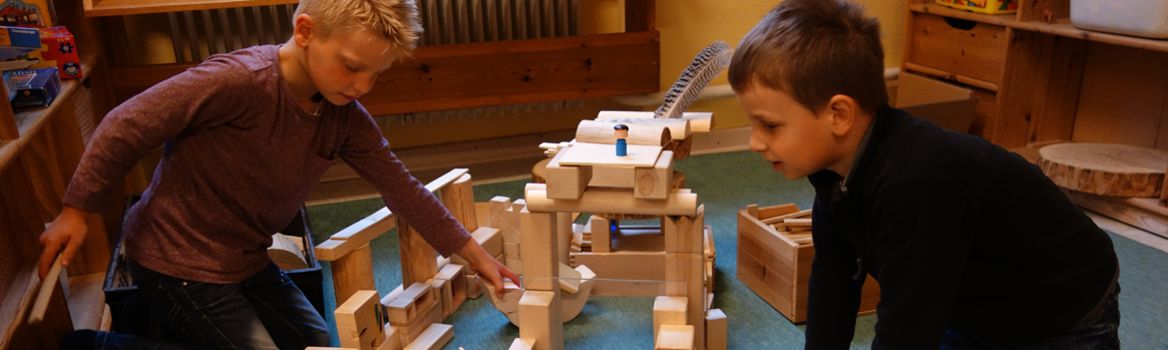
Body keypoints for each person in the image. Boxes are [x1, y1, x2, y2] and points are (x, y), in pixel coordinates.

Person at [37, 0, 518, 348]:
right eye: (353, 68)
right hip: (176, 261)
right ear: (306, 31)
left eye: (377, 74)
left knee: (317, 344)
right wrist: (76, 209)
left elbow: (402, 189)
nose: (363, 86)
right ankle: (98, 347)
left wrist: (477, 256)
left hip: (246, 262)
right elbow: (126, 123)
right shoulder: (236, 80)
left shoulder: (343, 115)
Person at [728, 0, 1120, 348]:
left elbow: (908, 327)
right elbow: (834, 279)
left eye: (770, 126)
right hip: (967, 299)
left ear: (839, 115)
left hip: (1060, 310)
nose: (755, 142)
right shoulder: (833, 171)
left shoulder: (915, 183)